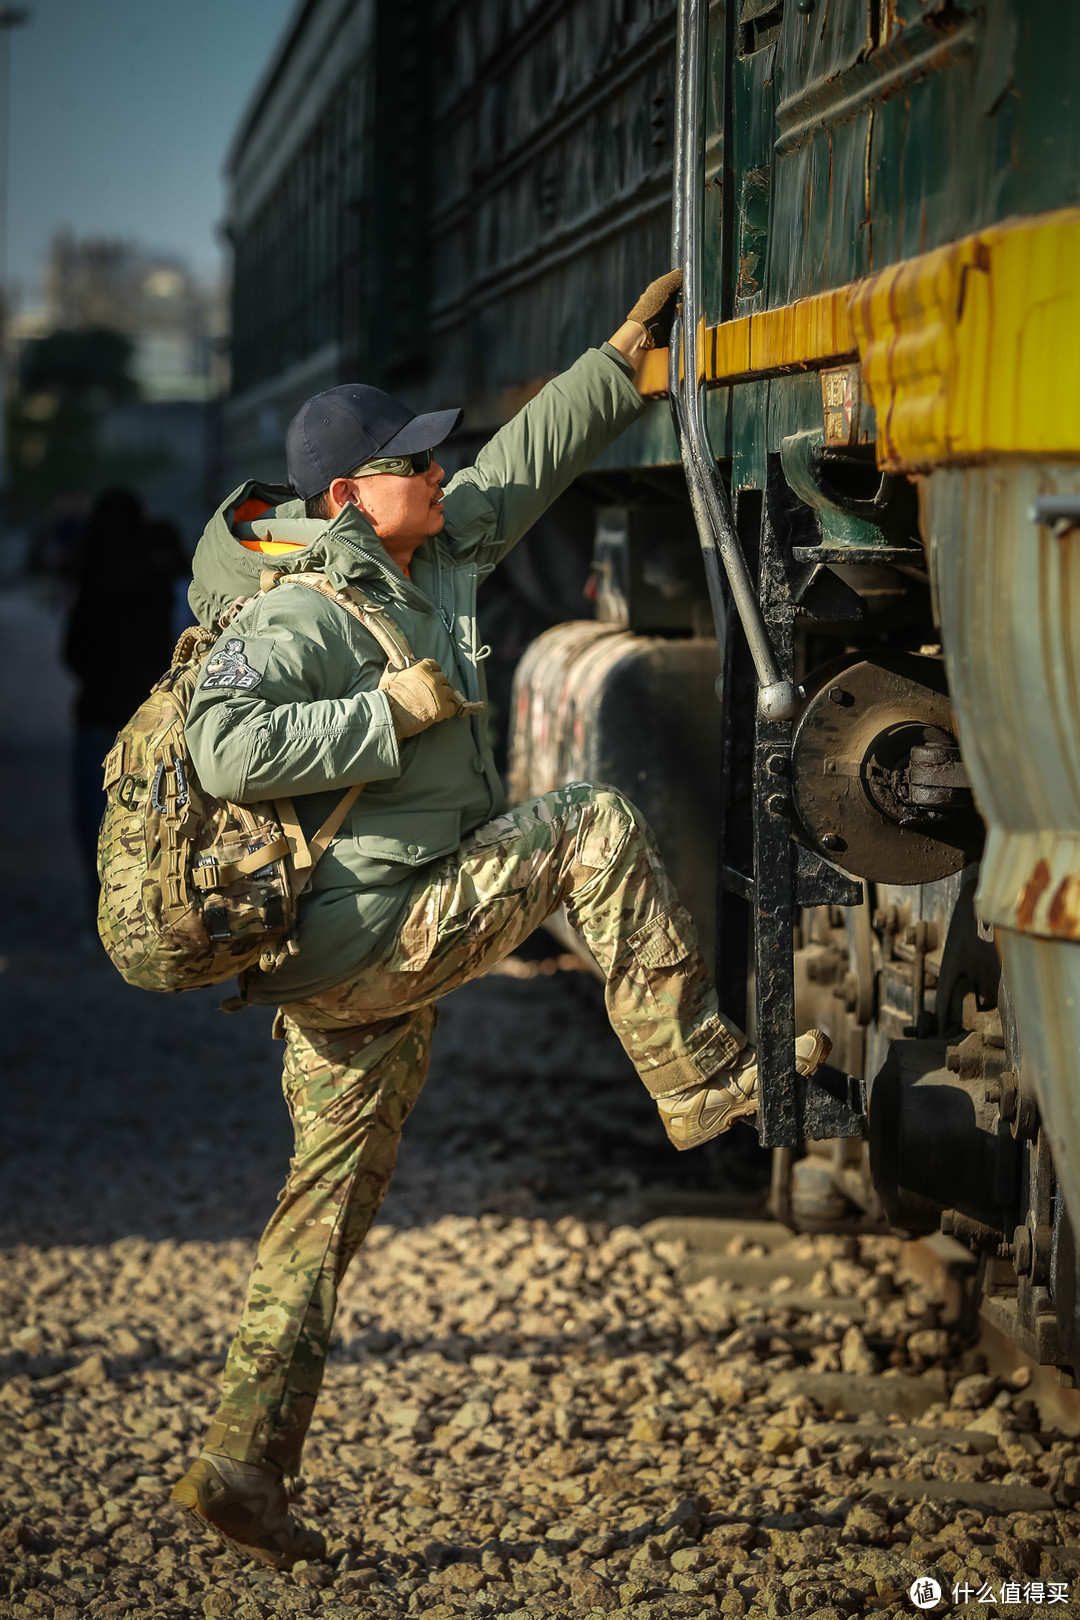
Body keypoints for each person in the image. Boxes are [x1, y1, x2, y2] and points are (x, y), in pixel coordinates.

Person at [169, 272, 829, 1568]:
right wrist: (388, 715)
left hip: (376, 956)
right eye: (412, 460)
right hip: (368, 933)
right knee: (586, 826)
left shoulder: (443, 548)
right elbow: (221, 743)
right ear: (350, 491)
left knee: (326, 1215)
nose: (441, 465)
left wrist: (618, 360)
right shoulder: (299, 606)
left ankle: (241, 1462)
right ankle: (700, 1081)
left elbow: (525, 461)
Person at [63, 491, 186, 931]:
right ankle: (144, 918)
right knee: (148, 824)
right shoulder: (161, 578)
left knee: (92, 826)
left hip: (97, 717)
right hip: (150, 724)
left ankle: (101, 917)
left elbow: (73, 654)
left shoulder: (95, 580)